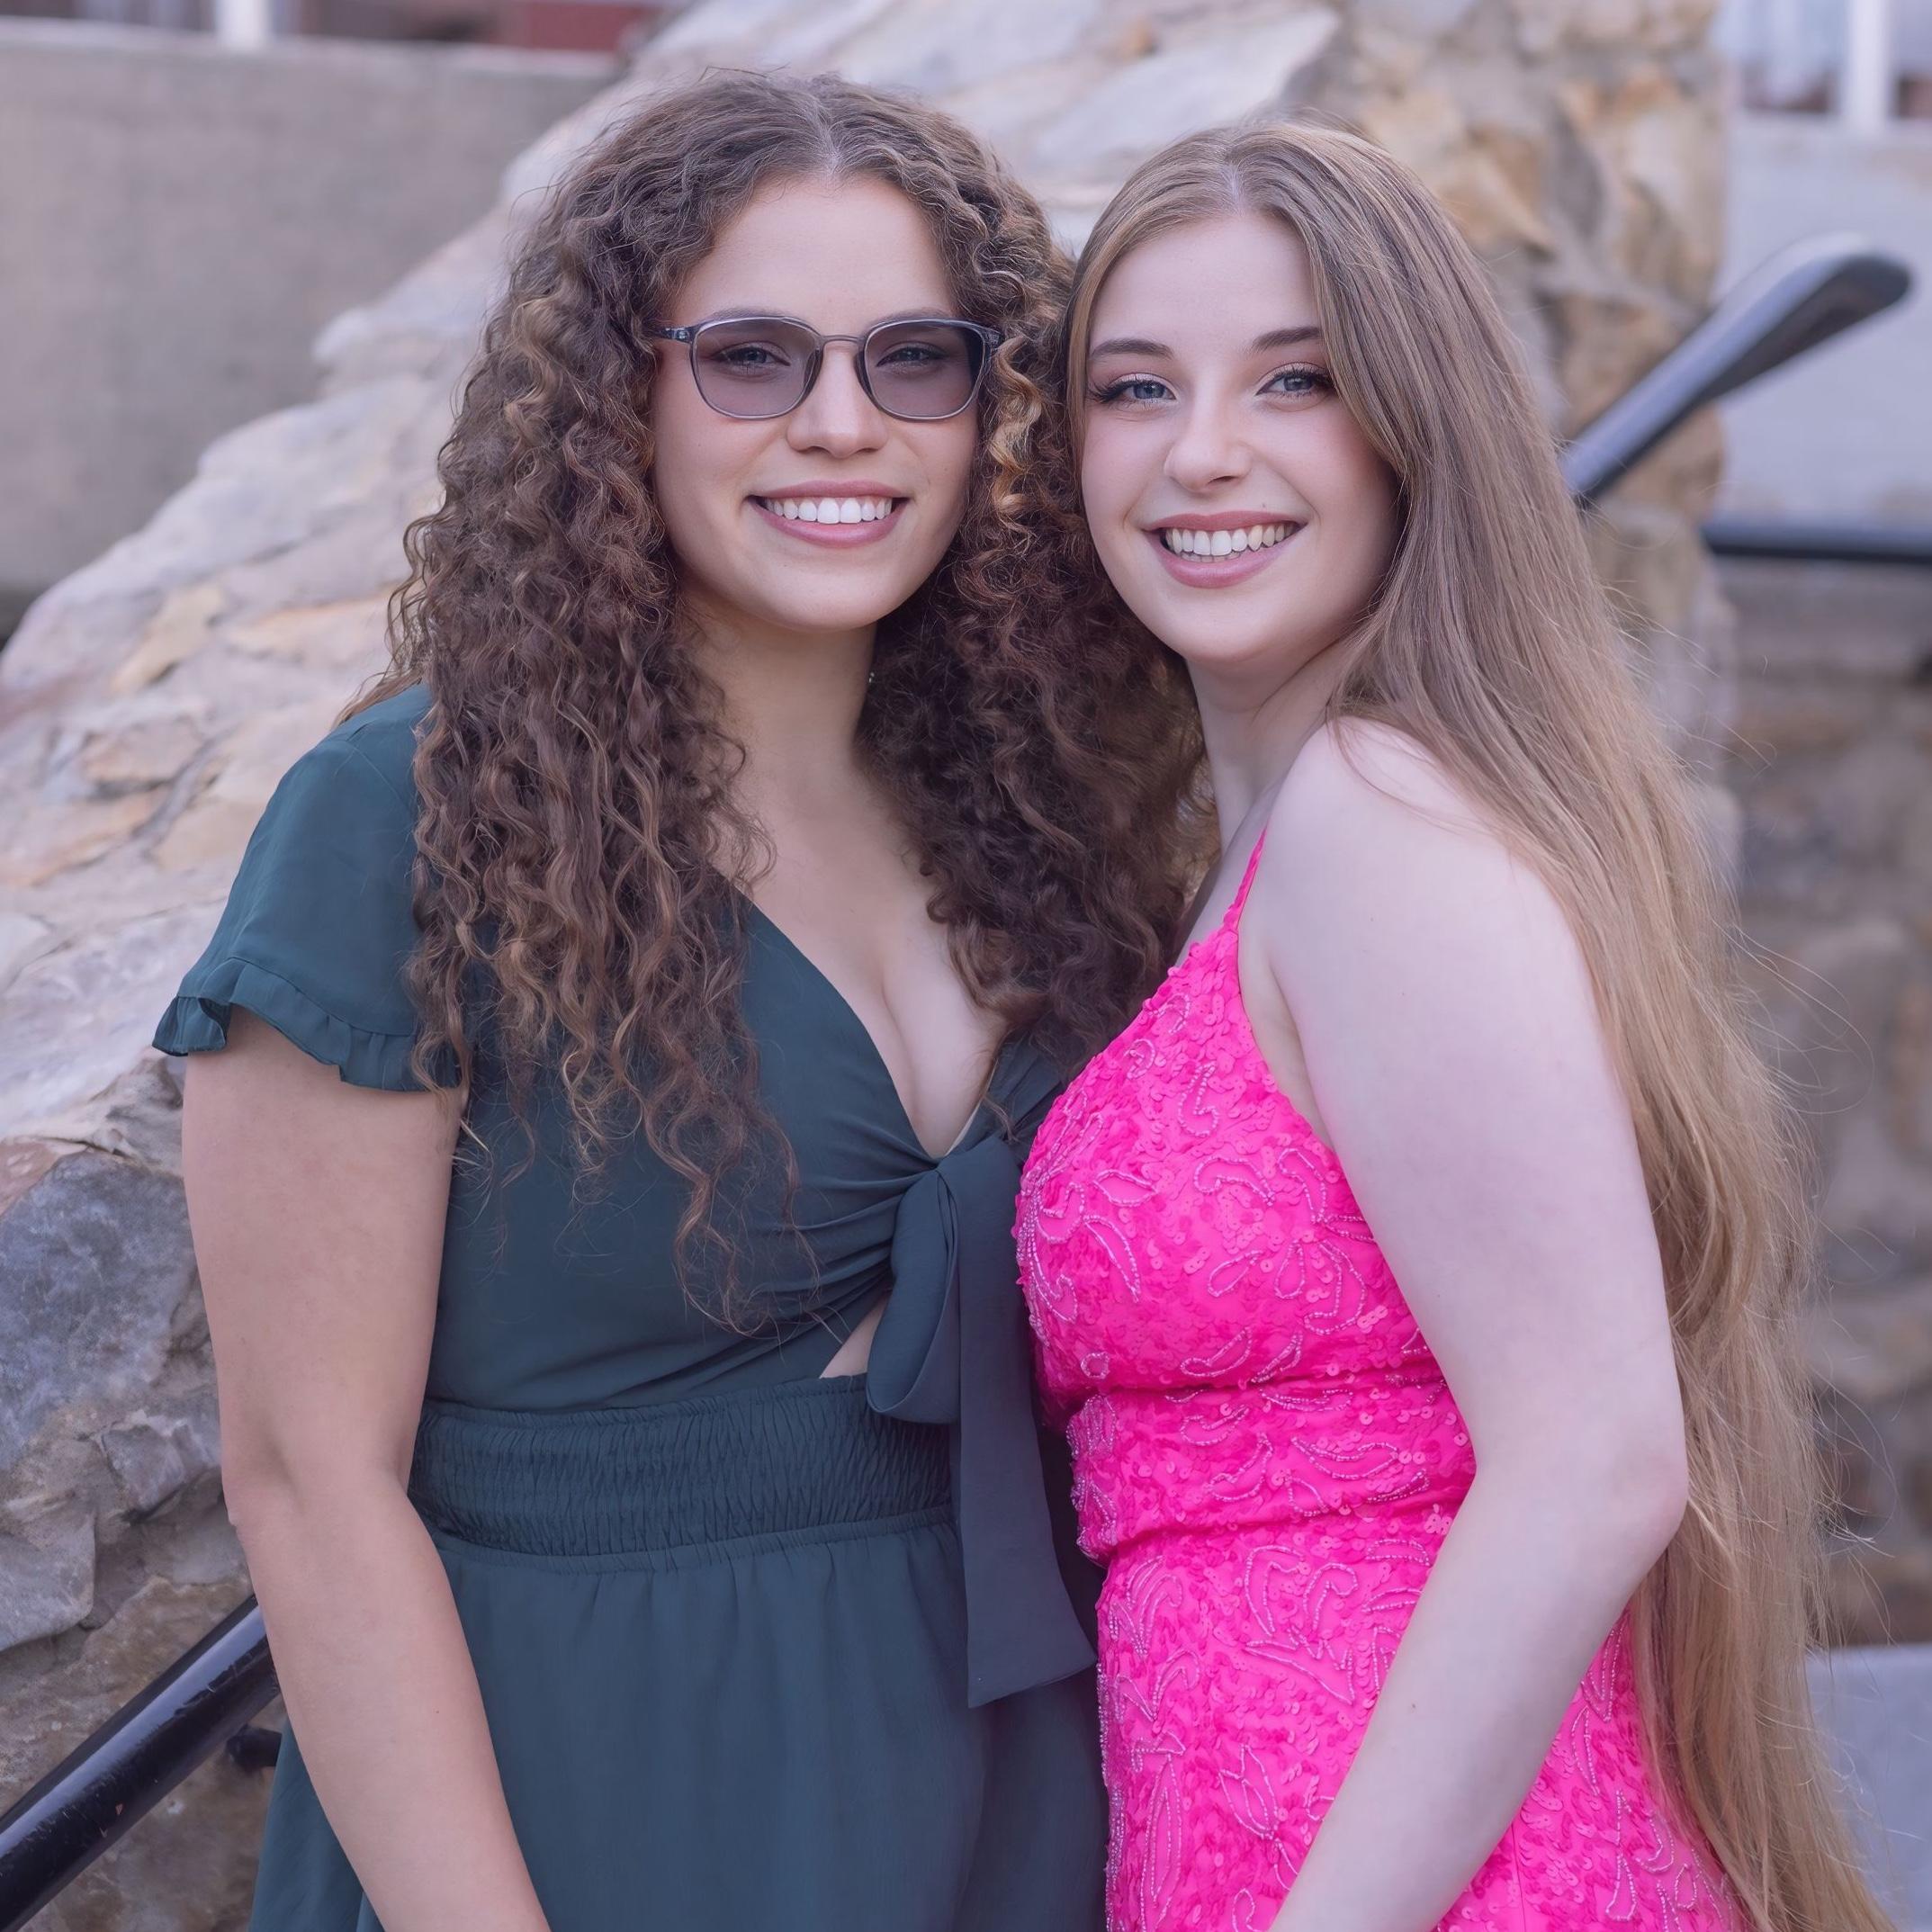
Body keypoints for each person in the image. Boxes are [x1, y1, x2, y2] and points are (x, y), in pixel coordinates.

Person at [156, 70, 1195, 1932]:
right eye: (751, 357)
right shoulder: (411, 818)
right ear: (614, 393)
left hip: (1019, 1776)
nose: (841, 424)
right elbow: (310, 1486)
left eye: (916, 361)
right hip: (597, 1798)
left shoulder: (1036, 805)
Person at [1016, 120, 1892, 1932]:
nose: (1201, 451)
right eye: (1135, 386)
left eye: (1295, 380)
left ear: (1415, 430)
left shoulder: (1381, 822)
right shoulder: (1267, 841)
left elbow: (1596, 1459)